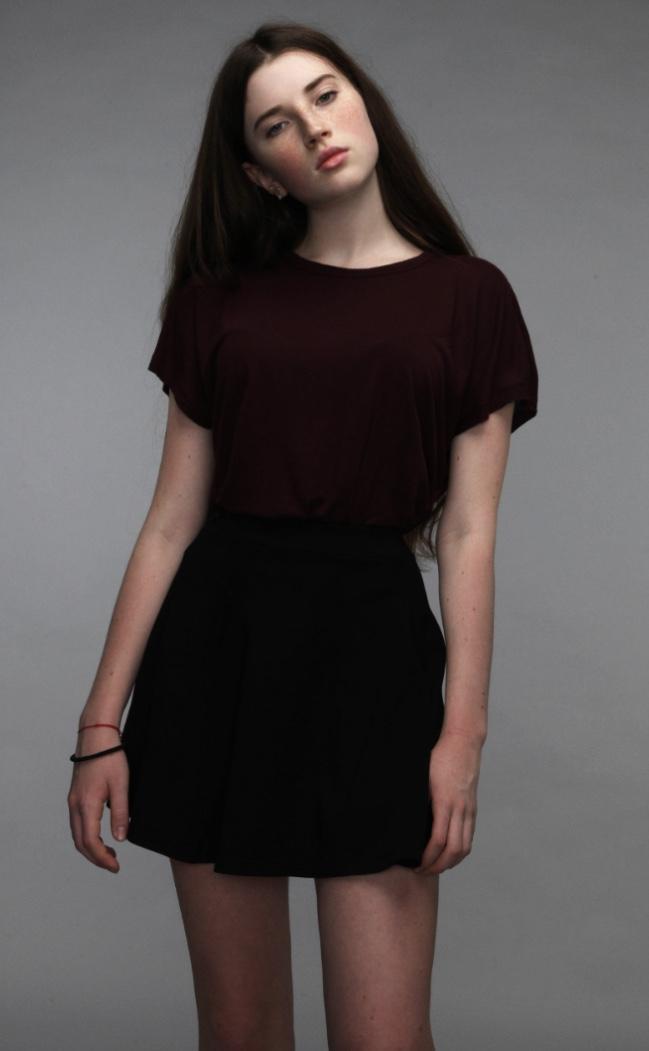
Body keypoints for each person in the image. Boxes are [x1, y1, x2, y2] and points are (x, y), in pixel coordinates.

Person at [67, 20, 539, 1051]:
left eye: (323, 94)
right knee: (239, 1034)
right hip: (216, 655)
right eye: (276, 123)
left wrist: (461, 735)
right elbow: (170, 522)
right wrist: (100, 724)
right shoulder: (216, 303)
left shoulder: (471, 297)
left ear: (362, 100)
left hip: (374, 659)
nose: (313, 127)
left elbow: (468, 533)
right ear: (258, 172)